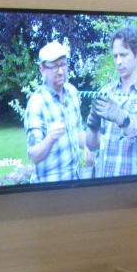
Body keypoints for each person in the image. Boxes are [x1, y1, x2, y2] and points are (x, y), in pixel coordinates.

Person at [85, 25, 137, 177]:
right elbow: (92, 146)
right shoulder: (106, 91)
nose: (118, 61)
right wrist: (93, 128)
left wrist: (123, 119)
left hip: (133, 186)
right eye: (115, 56)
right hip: (104, 183)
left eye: (123, 55)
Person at [24, 40, 92, 183]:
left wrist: (86, 146)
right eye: (55, 66)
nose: (61, 71)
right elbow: (33, 156)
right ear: (42, 69)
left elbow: (78, 131)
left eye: (63, 64)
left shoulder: (72, 92)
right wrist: (50, 138)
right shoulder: (37, 103)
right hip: (48, 191)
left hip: (73, 183)